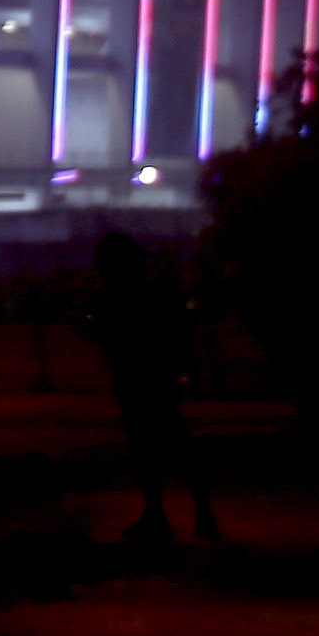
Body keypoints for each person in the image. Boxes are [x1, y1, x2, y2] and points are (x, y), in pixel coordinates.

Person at [89, 234, 219, 546]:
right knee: (175, 444)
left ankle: (158, 513)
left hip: (134, 382)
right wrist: (186, 370)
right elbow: (178, 333)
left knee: (146, 449)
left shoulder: (112, 296)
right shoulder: (157, 292)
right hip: (159, 380)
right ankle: (199, 510)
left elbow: (107, 334)